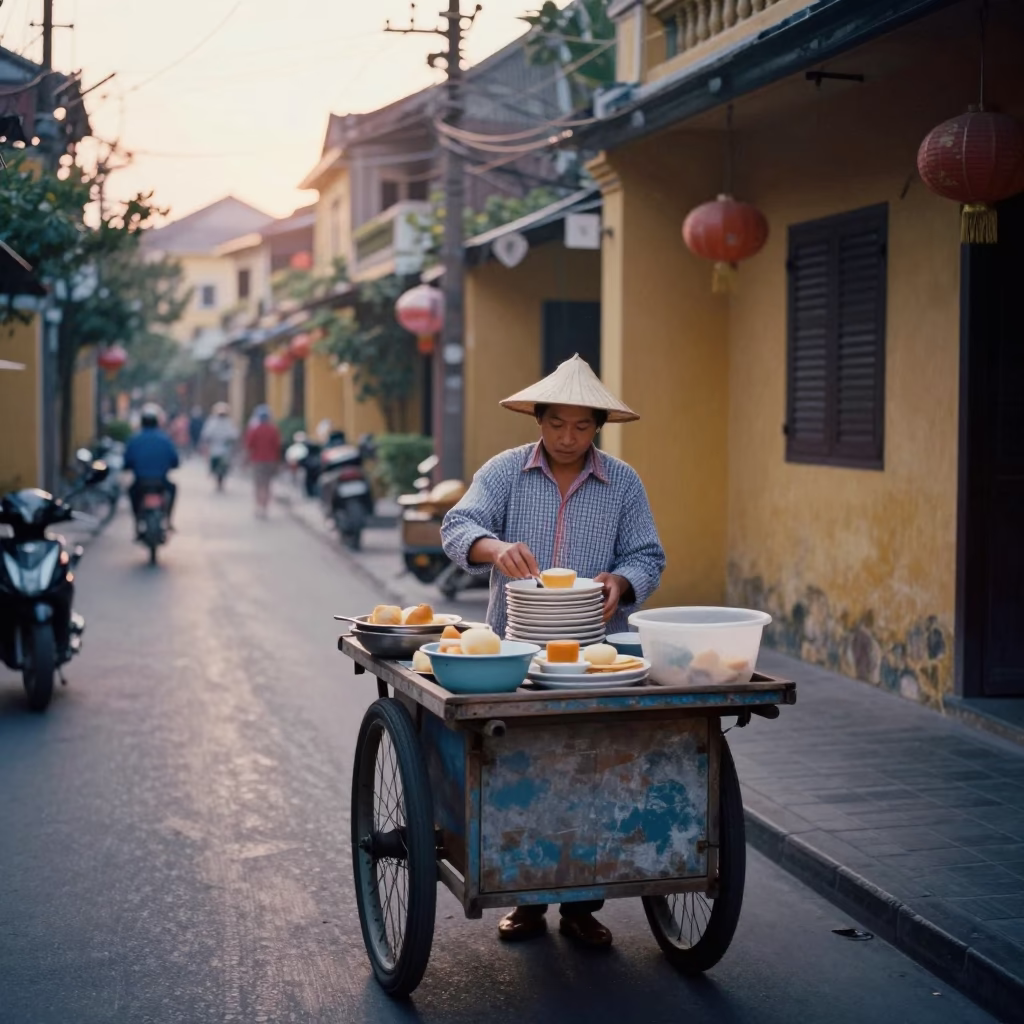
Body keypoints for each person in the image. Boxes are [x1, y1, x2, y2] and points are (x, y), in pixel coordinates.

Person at [441, 354, 666, 949]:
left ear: (598, 427)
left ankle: (580, 905)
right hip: (512, 653)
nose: (568, 438)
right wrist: (492, 547)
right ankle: (527, 901)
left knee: (590, 771)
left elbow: (648, 556)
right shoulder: (504, 473)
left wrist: (622, 583)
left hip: (597, 657)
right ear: (538, 421)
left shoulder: (623, 483)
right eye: (557, 424)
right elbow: (457, 526)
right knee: (522, 769)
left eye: (582, 427)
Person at [124, 406, 179, 529]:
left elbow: (127, 461)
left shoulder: (134, 440)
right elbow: (175, 461)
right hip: (161, 481)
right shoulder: (165, 440)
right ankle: (168, 520)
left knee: (132, 492)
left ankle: (137, 521)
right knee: (173, 489)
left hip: (140, 481)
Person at [244, 405, 282, 517]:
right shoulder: (273, 430)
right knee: (267, 485)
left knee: (258, 485)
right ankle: (265, 507)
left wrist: (245, 461)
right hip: (271, 461)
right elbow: (277, 447)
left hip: (257, 461)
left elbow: (249, 446)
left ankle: (259, 506)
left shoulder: (255, 430)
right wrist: (278, 462)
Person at [200, 402, 240, 486]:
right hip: (215, 448)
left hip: (225, 449)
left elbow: (234, 435)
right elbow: (206, 434)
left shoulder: (229, 422)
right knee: (214, 466)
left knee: (225, 466)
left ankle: (222, 479)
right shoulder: (212, 421)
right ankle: (216, 478)